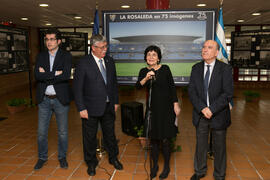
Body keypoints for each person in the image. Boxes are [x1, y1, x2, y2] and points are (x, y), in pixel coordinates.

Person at [73, 34, 123, 176]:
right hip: (89, 108)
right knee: (89, 137)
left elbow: (114, 84)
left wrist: (116, 101)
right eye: (101, 47)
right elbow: (77, 88)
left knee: (110, 135)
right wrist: (81, 107)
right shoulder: (83, 63)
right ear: (93, 48)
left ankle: (113, 158)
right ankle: (91, 163)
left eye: (106, 46)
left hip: (108, 106)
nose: (104, 50)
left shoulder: (110, 61)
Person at [188, 40, 233, 180]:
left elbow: (227, 93)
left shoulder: (225, 69)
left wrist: (211, 109)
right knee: (201, 145)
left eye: (209, 47)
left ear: (216, 52)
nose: (205, 50)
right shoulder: (195, 68)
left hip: (218, 114)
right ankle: (199, 171)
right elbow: (192, 91)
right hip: (201, 114)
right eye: (204, 47)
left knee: (219, 147)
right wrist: (202, 108)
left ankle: (219, 175)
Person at [136, 45, 181, 179]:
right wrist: (146, 78)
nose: (151, 57)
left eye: (154, 55)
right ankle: (154, 165)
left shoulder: (165, 69)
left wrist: (176, 104)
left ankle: (166, 166)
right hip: (152, 111)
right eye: (148, 55)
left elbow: (172, 87)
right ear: (145, 57)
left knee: (165, 140)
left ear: (159, 58)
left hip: (167, 109)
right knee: (154, 140)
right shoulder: (144, 71)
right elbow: (138, 86)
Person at [34, 28, 72, 170]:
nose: (48, 42)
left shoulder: (66, 56)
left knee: (62, 132)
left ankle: (62, 157)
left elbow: (66, 75)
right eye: (47, 39)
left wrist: (47, 75)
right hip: (44, 99)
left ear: (58, 41)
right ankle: (42, 157)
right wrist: (55, 73)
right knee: (41, 132)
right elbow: (37, 76)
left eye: (51, 39)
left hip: (60, 99)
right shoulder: (40, 56)